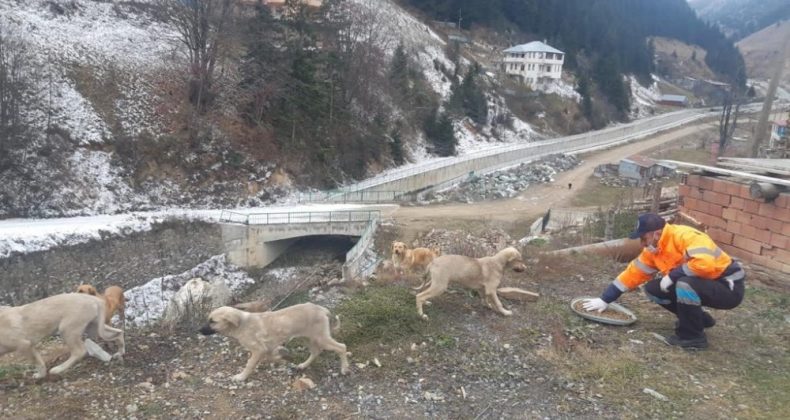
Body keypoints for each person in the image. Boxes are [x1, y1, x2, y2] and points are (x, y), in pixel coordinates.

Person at [582, 213, 745, 349]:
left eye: (644, 238)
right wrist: (605, 299)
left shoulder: (685, 236)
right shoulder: (654, 250)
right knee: (654, 289)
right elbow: (632, 274)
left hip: (728, 287)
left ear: (657, 233)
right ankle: (699, 320)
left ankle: (692, 337)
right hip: (702, 284)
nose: (642, 243)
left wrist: (672, 276)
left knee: (684, 284)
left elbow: (705, 264)